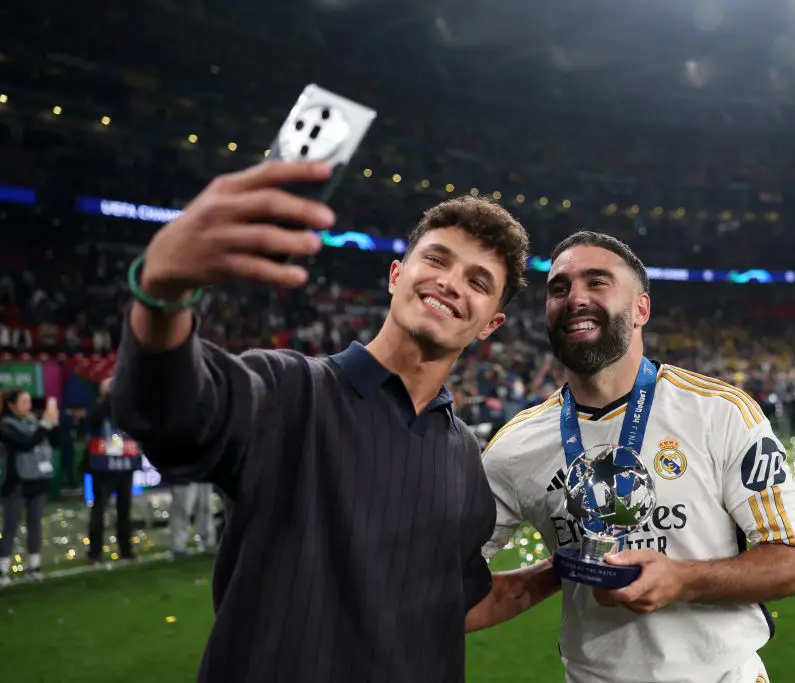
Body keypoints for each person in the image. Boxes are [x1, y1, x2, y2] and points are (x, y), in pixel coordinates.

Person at [110, 160, 551, 683]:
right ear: (395, 275)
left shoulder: (463, 458)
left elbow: (454, 604)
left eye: (478, 281)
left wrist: (564, 568)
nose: (451, 283)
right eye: (436, 259)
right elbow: (171, 411)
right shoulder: (288, 391)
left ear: (490, 325)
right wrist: (163, 292)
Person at [478, 232, 795, 683]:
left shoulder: (719, 411)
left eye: (597, 282)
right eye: (559, 288)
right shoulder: (515, 448)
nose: (574, 297)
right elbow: (450, 593)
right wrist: (561, 568)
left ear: (641, 309)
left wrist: (682, 579)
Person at [0, 389, 60, 584]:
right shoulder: (5, 425)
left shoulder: (34, 421)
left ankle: (34, 566)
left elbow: (55, 441)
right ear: (11, 405)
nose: (28, 405)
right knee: (11, 526)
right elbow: (26, 442)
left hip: (39, 480)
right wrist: (45, 424)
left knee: (35, 523)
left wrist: (54, 423)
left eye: (29, 400)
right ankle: (2, 570)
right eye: (23, 401)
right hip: (17, 483)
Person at [85, 377, 137, 563]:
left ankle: (126, 550)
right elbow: (94, 419)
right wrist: (108, 398)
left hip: (125, 464)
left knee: (125, 510)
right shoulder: (98, 406)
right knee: (100, 509)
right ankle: (95, 552)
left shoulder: (129, 406)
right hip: (104, 467)